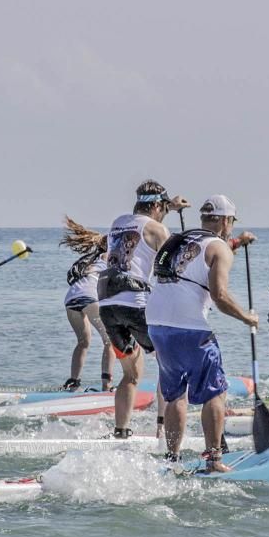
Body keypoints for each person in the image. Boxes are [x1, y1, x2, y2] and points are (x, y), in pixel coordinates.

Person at [146, 195, 257, 471]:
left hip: (157, 324)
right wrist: (247, 317)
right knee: (214, 394)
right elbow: (219, 296)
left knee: (174, 395)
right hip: (191, 328)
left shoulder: (180, 240)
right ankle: (214, 460)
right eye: (230, 222)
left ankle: (172, 459)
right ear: (224, 220)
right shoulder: (219, 248)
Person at [98, 181, 190, 439]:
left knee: (131, 374)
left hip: (107, 305)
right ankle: (162, 429)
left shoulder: (118, 222)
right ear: (158, 206)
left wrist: (168, 206)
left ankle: (121, 431)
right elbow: (172, 270)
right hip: (136, 304)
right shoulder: (158, 229)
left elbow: (143, 223)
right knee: (168, 363)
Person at [61, 217, 114, 392]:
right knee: (110, 341)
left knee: (83, 341)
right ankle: (107, 386)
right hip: (90, 297)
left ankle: (73, 383)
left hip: (71, 298)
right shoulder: (109, 256)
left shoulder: (92, 258)